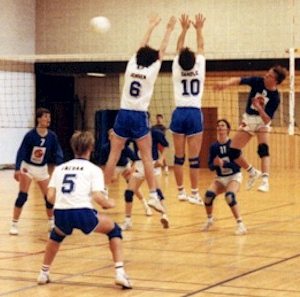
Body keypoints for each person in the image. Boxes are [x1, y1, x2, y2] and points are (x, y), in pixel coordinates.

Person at [37, 131, 132, 289]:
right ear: (90, 148)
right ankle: (120, 273)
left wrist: (65, 201)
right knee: (114, 230)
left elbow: (50, 197)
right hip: (82, 212)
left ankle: (43, 273)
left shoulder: (59, 169)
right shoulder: (94, 170)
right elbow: (97, 197)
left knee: (56, 235)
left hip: (60, 213)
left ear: (73, 147)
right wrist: (109, 203)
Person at [103, 13, 176, 214]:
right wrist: (169, 29)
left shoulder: (131, 65)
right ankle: (153, 195)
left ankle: (104, 190)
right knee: (146, 158)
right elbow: (162, 50)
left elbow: (141, 46)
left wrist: (151, 26)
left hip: (123, 114)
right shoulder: (152, 70)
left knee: (113, 155)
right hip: (139, 116)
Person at [214, 65, 287, 192]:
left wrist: (259, 108)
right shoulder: (258, 81)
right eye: (267, 73)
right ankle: (252, 172)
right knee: (232, 151)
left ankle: (265, 182)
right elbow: (239, 80)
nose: (266, 76)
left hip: (262, 121)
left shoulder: (275, 97)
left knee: (263, 148)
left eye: (270, 76)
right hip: (249, 119)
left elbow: (267, 120)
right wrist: (225, 84)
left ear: (275, 81)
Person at [170, 13, 206, 205]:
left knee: (178, 156)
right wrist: (198, 29)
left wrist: (183, 30)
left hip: (179, 112)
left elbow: (178, 48)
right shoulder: (199, 65)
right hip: (193, 113)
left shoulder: (177, 66)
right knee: (194, 159)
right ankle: (194, 193)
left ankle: (180, 192)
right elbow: (201, 46)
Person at [9, 108, 64, 235]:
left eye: (49, 117)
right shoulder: (30, 135)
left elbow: (58, 152)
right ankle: (14, 224)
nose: (48, 119)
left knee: (49, 197)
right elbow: (21, 151)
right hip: (27, 166)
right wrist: (17, 169)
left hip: (42, 168)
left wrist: (59, 165)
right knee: (23, 196)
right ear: (39, 119)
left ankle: (51, 223)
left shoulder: (52, 136)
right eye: (45, 116)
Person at [202, 119, 247, 235]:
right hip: (220, 178)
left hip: (234, 176)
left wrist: (224, 164)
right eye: (218, 126)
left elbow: (238, 165)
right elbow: (210, 166)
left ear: (227, 129)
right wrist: (215, 164)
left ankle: (241, 225)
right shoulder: (214, 147)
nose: (220, 127)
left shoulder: (233, 145)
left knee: (229, 196)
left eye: (223, 125)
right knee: (208, 196)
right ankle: (210, 219)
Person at [121, 127, 169, 230]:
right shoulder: (134, 132)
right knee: (128, 193)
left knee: (157, 191)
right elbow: (123, 145)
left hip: (152, 164)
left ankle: (165, 215)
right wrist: (133, 163)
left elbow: (166, 145)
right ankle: (128, 221)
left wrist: (161, 159)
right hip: (139, 165)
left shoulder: (155, 132)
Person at [99, 129, 152, 216]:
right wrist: (108, 174)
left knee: (134, 187)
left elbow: (135, 160)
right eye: (111, 136)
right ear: (109, 137)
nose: (113, 138)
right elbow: (102, 165)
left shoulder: (123, 147)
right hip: (113, 167)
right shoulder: (105, 148)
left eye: (115, 136)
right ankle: (104, 200)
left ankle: (146, 206)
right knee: (105, 183)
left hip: (125, 167)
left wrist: (131, 169)